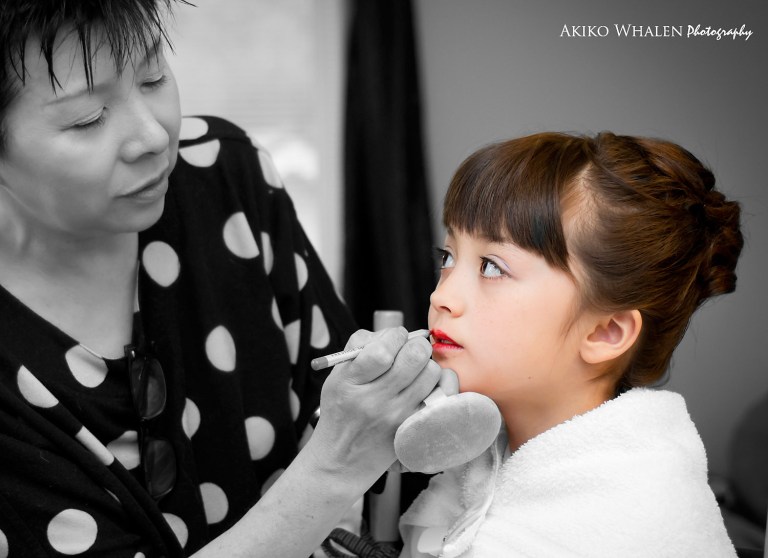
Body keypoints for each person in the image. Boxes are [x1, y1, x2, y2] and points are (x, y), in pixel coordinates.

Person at [0, 1, 453, 557]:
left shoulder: (223, 178)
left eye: (153, 76)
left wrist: (386, 397)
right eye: (87, 119)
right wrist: (335, 465)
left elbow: (340, 398)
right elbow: (340, 451)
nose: (152, 137)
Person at [399, 132, 743, 557]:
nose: (441, 297)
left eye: (491, 266)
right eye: (447, 257)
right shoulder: (483, 463)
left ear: (605, 333)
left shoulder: (634, 518)